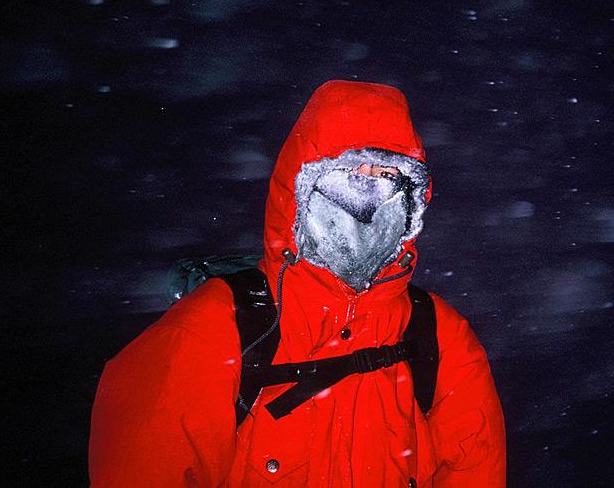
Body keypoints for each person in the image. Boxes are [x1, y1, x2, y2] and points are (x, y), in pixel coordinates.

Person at [89, 80, 506, 487]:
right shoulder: (209, 330)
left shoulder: (440, 337)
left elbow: (476, 468)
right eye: (348, 173)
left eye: (385, 177)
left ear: (411, 199)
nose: (366, 198)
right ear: (300, 187)